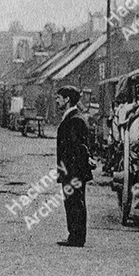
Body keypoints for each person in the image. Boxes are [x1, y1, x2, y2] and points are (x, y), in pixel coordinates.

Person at [55, 85, 93, 247]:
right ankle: (75, 235)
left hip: (73, 170)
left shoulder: (75, 119)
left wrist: (72, 171)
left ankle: (76, 237)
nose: (57, 101)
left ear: (67, 100)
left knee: (74, 202)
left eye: (59, 98)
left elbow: (77, 148)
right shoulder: (73, 117)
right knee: (72, 202)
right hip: (71, 169)